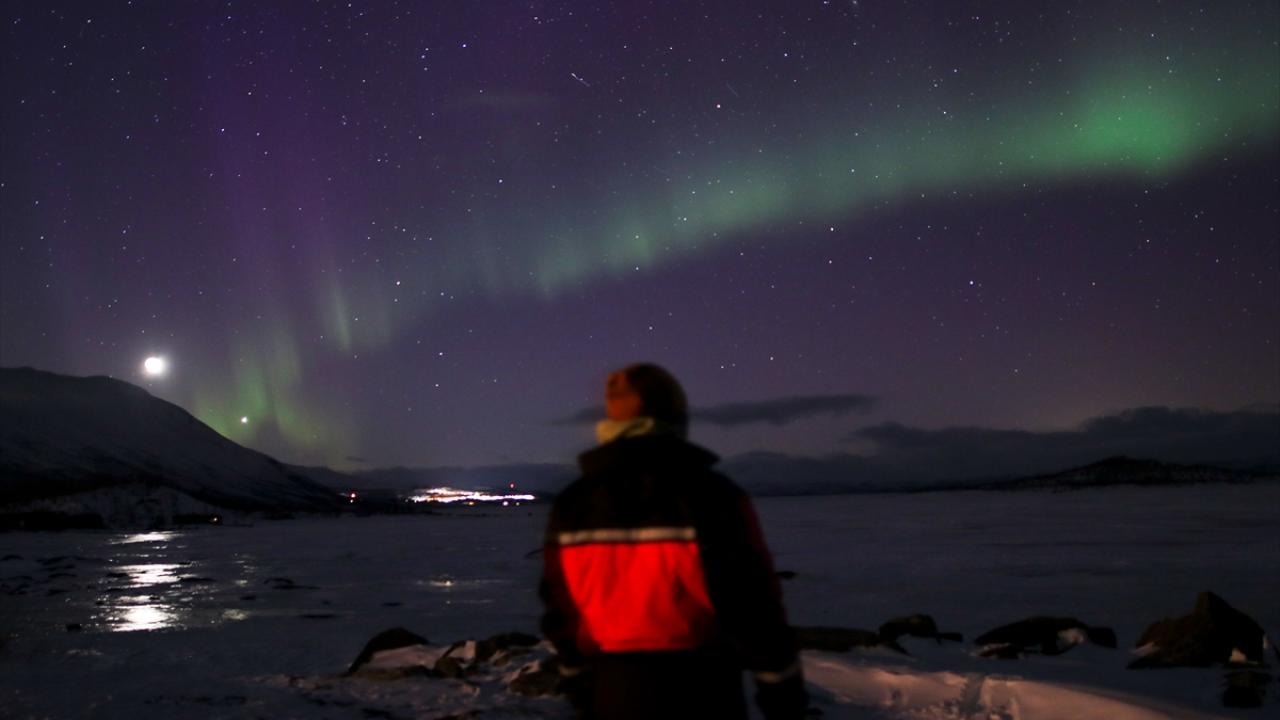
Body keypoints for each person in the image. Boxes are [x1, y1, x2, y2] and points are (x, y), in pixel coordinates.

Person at [539, 363, 807, 720]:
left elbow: (560, 604)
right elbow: (751, 602)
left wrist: (576, 677)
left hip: (612, 689)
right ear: (674, 415)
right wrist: (780, 687)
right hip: (702, 690)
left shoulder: (573, 504)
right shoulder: (711, 496)